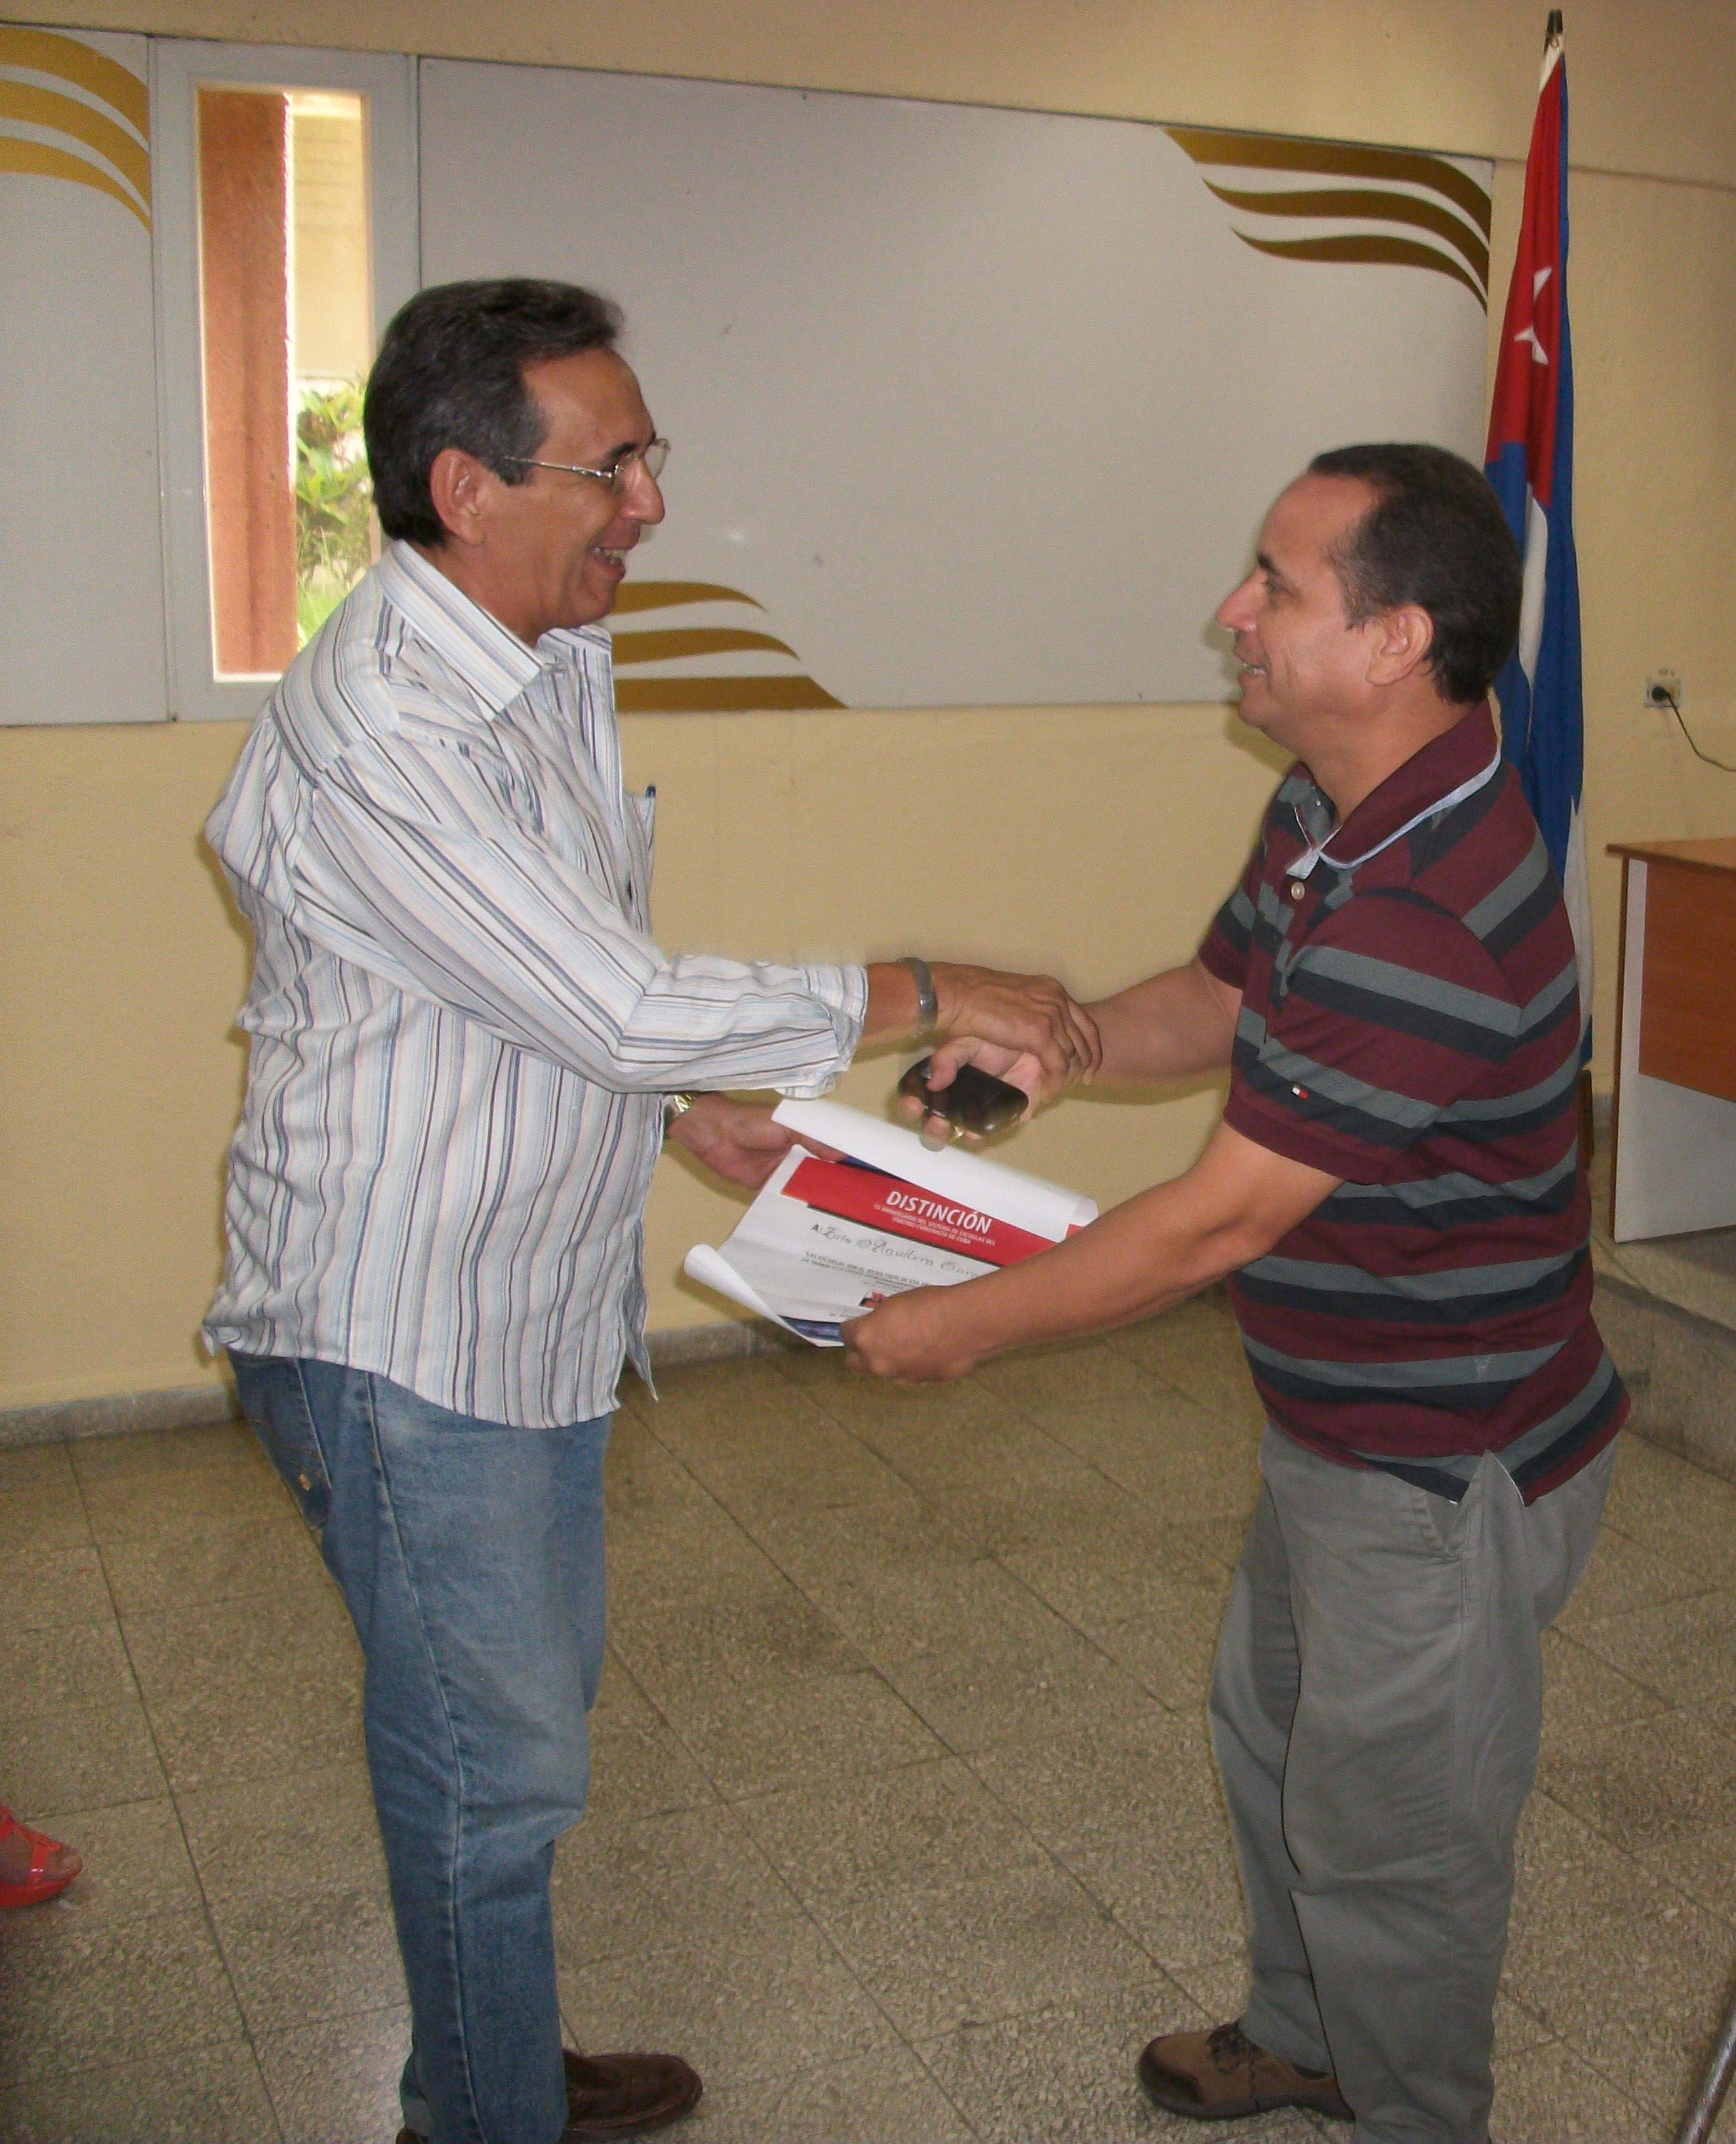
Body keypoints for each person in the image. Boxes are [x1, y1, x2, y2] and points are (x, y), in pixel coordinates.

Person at [202, 279, 1096, 2144]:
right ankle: (485, 2107)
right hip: (400, 1334)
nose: (651, 502)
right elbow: (604, 998)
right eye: (614, 465)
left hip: (518, 1305)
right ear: (467, 482)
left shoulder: (533, 663)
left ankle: (492, 2042)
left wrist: (698, 1105)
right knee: (485, 1769)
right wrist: (927, 982)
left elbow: (548, 980)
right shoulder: (390, 722)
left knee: (517, 1733)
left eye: (649, 456)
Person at [847, 443, 1622, 2144]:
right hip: (1338, 1423)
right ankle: (1304, 2040)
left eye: (1274, 585)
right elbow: (1219, 990)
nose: (1232, 614)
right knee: (1274, 1731)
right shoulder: (1335, 804)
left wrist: (956, 1322)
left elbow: (1213, 1227)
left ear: (1396, 639)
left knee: (1394, 1848)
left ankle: (1413, 2109)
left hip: (1442, 1469)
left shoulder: (1428, 908)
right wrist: (1067, 1043)